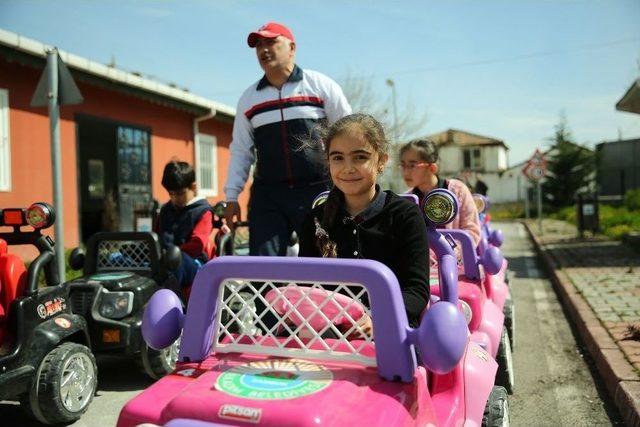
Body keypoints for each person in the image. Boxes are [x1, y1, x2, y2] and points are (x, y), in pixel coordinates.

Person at [224, 21, 352, 256]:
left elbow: (349, 133)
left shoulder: (320, 86)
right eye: (258, 45)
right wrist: (231, 196)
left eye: (271, 42)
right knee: (263, 268)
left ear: (292, 47)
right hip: (268, 195)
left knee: (324, 262)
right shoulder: (248, 99)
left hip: (317, 189)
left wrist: (349, 183)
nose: (263, 49)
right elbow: (241, 151)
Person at [299, 114, 429, 331]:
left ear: (381, 162)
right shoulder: (314, 220)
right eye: (338, 158)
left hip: (391, 333)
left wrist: (377, 319)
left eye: (360, 157)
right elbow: (306, 288)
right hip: (326, 335)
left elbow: (416, 291)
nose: (348, 168)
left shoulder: (405, 215)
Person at [400, 139, 481, 246]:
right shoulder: (407, 199)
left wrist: (450, 254)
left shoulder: (457, 190)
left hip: (454, 261)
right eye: (403, 165)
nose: (405, 172)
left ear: (432, 168)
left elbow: (472, 231)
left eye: (412, 165)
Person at [155, 160, 213, 289]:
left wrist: (171, 255)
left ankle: (172, 296)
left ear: (193, 187)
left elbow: (197, 245)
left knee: (176, 260)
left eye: (180, 193)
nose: (175, 198)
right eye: (171, 194)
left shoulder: (203, 211)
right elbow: (156, 236)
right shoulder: (165, 210)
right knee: (118, 258)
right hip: (164, 259)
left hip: (193, 263)